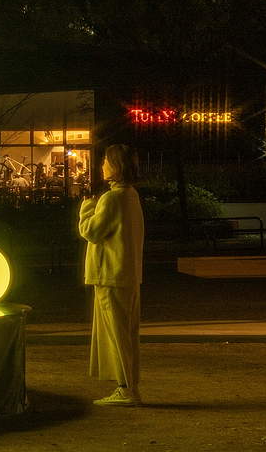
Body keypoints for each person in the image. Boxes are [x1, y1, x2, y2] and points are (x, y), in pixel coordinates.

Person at [78, 143, 145, 406]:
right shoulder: (131, 195)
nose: (102, 164)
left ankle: (125, 389)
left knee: (115, 334)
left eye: (105, 160)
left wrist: (85, 208)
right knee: (128, 333)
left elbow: (91, 232)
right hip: (128, 273)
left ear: (115, 165)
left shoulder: (111, 198)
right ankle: (130, 386)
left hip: (109, 274)